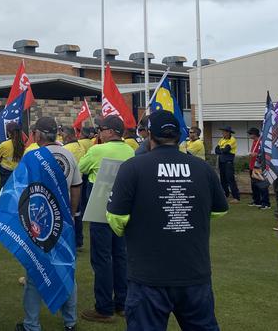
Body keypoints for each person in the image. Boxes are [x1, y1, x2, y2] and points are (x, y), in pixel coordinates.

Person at [106, 110, 229, 331]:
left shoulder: (132, 168)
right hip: (193, 272)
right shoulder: (202, 168)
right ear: (180, 137)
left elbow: (116, 219)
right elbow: (219, 210)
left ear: (149, 136)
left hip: (148, 277)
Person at [15, 117, 82, 331]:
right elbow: (76, 187)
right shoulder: (69, 155)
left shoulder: (33, 156)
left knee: (34, 274)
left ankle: (31, 325)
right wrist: (71, 214)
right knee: (66, 271)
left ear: (37, 135)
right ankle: (70, 323)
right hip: (64, 222)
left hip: (39, 223)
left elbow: (20, 191)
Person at [78, 115, 135, 324]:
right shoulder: (130, 151)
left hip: (100, 206)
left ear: (110, 131)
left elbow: (80, 168)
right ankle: (122, 303)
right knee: (120, 256)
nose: (98, 133)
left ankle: (104, 308)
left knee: (102, 259)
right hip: (122, 208)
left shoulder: (97, 150)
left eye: (101, 129)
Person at [0, 122, 26, 187]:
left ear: (8, 132)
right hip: (17, 173)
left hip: (4, 174)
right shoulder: (23, 145)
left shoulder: (4, 145)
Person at [247, 128, 271, 209]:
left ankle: (266, 202)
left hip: (259, 167)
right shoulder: (254, 142)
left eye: (250, 134)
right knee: (254, 185)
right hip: (252, 165)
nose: (249, 135)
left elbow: (263, 154)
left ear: (254, 134)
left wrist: (255, 154)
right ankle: (257, 200)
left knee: (261, 185)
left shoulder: (261, 142)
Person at [215, 126, 240, 203]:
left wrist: (221, 150)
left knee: (230, 179)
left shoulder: (232, 140)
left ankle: (236, 197)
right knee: (222, 179)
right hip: (221, 161)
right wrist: (221, 150)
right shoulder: (221, 140)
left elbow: (226, 150)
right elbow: (216, 150)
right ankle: (225, 195)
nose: (223, 133)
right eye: (222, 132)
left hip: (228, 161)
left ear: (228, 133)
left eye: (224, 132)